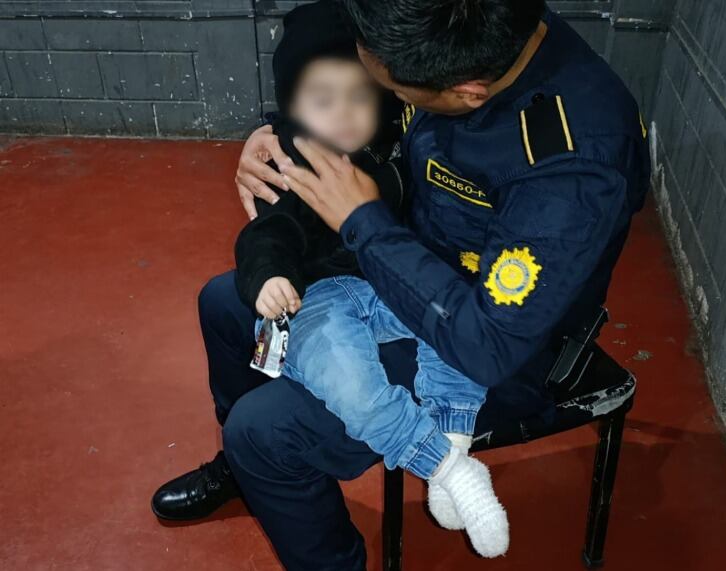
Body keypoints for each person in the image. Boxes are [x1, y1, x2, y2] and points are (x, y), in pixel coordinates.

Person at [152, 1, 650, 569]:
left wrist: (362, 222)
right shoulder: (447, 22)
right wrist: (280, 137)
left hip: (495, 345)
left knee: (261, 432)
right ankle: (250, 477)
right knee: (224, 303)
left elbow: (489, 343)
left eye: (397, 91)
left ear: (466, 92)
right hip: (403, 266)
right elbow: (334, 40)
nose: (386, 95)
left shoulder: (574, 165)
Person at [231, 0, 508, 556]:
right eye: (322, 100)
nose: (343, 114)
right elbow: (268, 233)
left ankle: (455, 432)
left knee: (452, 319)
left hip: (395, 282)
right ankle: (446, 467)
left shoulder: (396, 147)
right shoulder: (297, 167)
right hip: (323, 295)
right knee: (345, 376)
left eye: (358, 97)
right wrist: (268, 275)